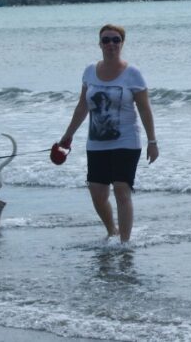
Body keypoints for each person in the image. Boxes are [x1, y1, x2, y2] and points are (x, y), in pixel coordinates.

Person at [60, 24, 158, 242]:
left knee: (122, 189)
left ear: (122, 43)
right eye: (106, 40)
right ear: (99, 44)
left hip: (126, 141)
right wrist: (67, 136)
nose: (111, 44)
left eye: (115, 40)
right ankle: (111, 230)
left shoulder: (133, 73)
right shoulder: (89, 71)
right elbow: (82, 107)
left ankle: (124, 243)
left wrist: (152, 141)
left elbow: (144, 108)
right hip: (96, 142)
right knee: (97, 193)